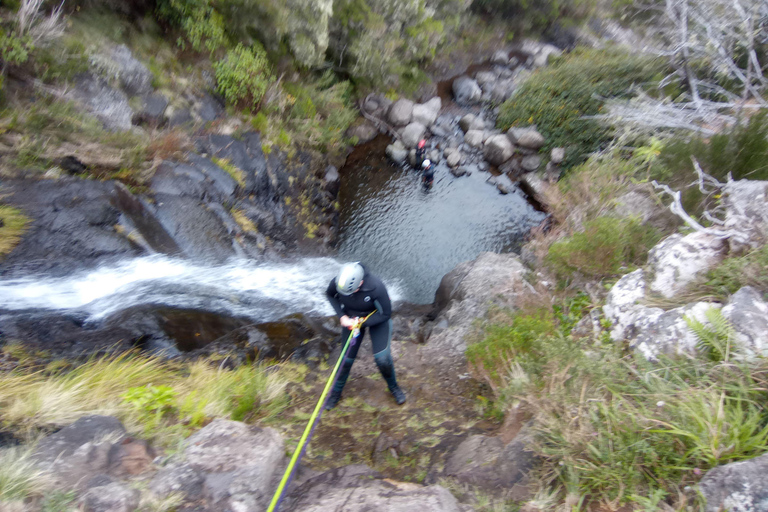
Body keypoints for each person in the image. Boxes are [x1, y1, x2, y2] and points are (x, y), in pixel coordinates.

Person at [325, 262, 406, 410]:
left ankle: (394, 387)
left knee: (382, 359)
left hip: (375, 320)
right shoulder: (338, 282)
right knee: (346, 359)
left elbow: (386, 314)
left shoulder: (376, 287)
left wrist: (360, 323)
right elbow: (330, 294)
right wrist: (342, 316)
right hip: (351, 319)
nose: (349, 295)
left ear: (360, 283)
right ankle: (336, 393)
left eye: (352, 291)